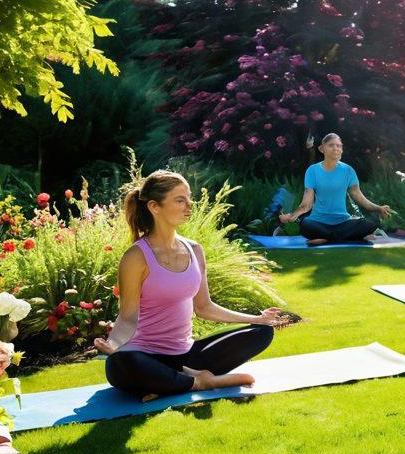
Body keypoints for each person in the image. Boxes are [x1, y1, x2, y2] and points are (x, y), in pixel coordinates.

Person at [96, 170, 286, 400]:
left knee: (261, 333)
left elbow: (204, 307)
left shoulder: (194, 249)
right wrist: (113, 344)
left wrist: (256, 318)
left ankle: (171, 380)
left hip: (186, 355)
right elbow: (127, 317)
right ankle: (201, 382)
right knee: (120, 362)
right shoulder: (136, 257)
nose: (189, 205)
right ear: (155, 207)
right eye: (180, 200)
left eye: (189, 198)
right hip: (144, 354)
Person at [277, 134, 395, 245]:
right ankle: (350, 236)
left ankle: (325, 238)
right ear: (321, 148)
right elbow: (306, 205)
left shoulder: (348, 170)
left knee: (369, 224)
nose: (336, 148)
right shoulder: (312, 171)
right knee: (305, 224)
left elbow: (360, 198)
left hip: (343, 222)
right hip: (318, 222)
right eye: (331, 145)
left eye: (339, 146)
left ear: (342, 149)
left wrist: (378, 208)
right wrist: (292, 217)